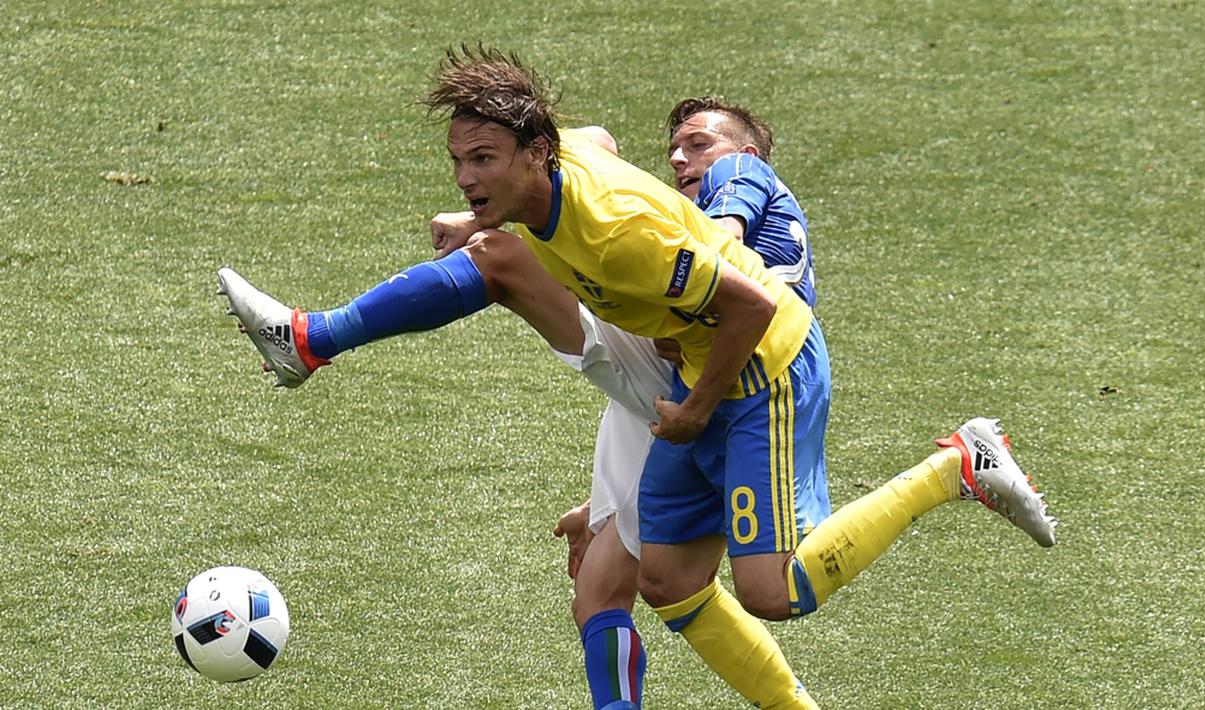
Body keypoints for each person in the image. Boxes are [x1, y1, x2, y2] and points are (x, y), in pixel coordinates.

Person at [219, 47, 1057, 708]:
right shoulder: (568, 170)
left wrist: (693, 409)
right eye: (459, 161)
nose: (467, 177)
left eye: (483, 159)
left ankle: (954, 467)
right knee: (650, 579)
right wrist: (482, 202)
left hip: (750, 375)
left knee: (773, 591)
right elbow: (598, 143)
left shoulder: (642, 226)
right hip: (684, 366)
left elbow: (747, 309)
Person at [220, 93, 825, 707]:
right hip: (671, 393)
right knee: (604, 590)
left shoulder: (735, 188)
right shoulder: (647, 201)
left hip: (708, 384)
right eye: (677, 148)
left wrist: (488, 223)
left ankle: (312, 339)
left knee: (500, 262)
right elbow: (598, 136)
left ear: (745, 154)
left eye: (701, 144)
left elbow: (741, 291)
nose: (680, 157)